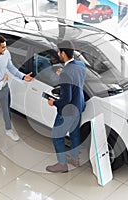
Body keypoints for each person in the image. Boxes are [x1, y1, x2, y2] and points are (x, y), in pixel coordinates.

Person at [45, 40, 86, 173]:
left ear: (63, 53)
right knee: (74, 133)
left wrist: (53, 103)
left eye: (58, 51)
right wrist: (64, 73)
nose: (58, 53)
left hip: (67, 111)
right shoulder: (80, 65)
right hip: (79, 106)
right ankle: (75, 158)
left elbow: (65, 99)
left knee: (57, 136)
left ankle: (62, 164)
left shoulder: (66, 73)